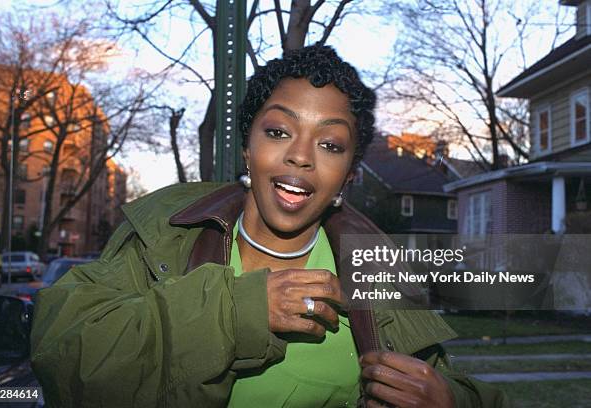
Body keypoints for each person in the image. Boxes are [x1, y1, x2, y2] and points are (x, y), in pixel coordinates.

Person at [30, 44, 508, 407]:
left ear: (349, 172)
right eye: (278, 131)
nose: (300, 155)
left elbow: (445, 382)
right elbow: (66, 360)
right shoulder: (165, 233)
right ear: (246, 146)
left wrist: (452, 400)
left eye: (331, 145)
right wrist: (239, 311)